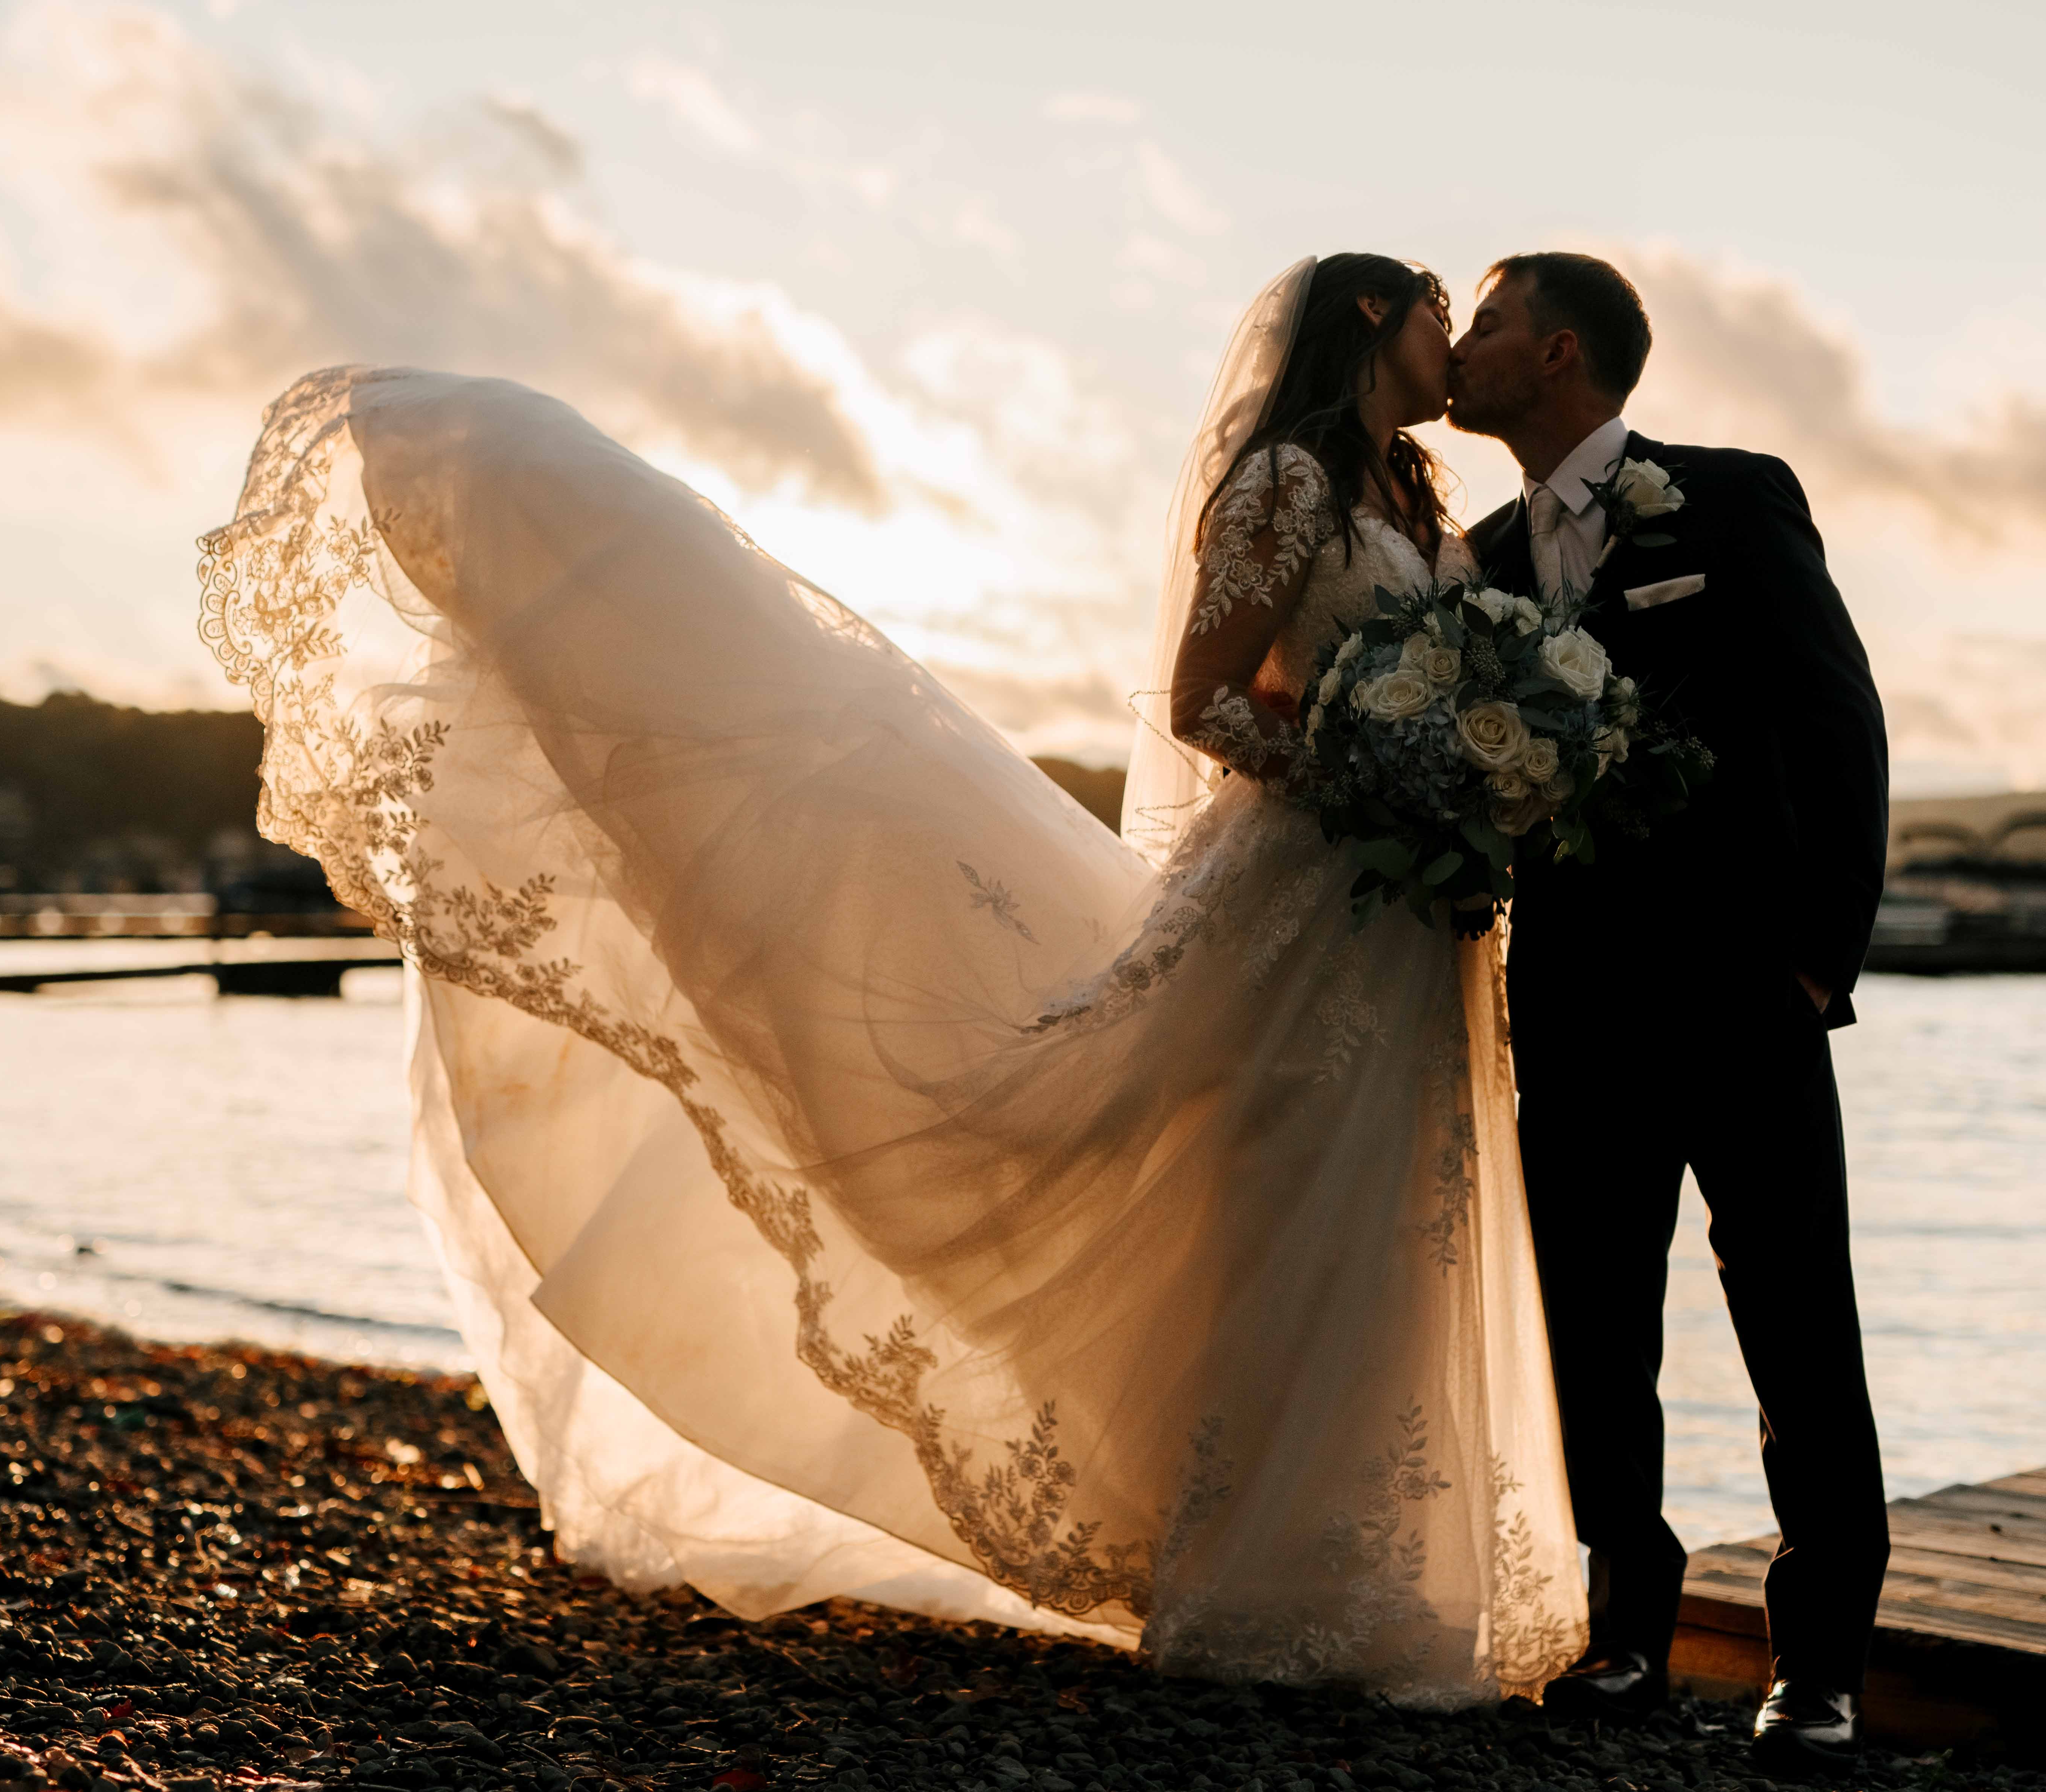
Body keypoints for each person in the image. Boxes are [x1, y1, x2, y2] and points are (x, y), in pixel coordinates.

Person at [193, 255, 1588, 1707]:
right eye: (1446, 311)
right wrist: (1378, 784)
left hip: (1407, 927)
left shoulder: (1415, 501)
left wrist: (1471, 787)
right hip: (1306, 905)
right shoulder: (1287, 483)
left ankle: (1371, 1569)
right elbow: (1205, 704)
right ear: (1375, 320)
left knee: (1388, 1219)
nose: (1459, 340)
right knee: (1275, 1208)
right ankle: (1259, 1578)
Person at [1448, 251, 1892, 1774]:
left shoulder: (1725, 496)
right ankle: (1627, 1631)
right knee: (1594, 1330)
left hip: (1744, 995)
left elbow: (1839, 717)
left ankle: (1819, 1664)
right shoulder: (1486, 552)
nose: (1462, 345)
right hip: (1571, 1005)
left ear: (1559, 352)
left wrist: (1821, 957)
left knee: (1795, 1328)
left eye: (1489, 324)